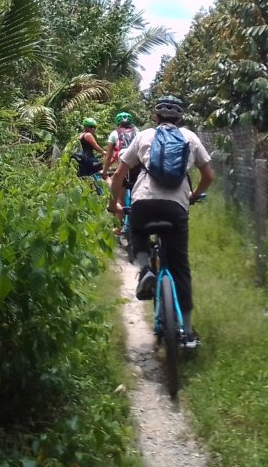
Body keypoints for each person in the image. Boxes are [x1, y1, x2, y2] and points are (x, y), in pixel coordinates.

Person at [110, 95, 214, 347]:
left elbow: (119, 175)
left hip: (144, 201)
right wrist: (193, 195)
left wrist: (114, 204)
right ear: (179, 119)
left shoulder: (144, 136)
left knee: (138, 231)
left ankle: (145, 269)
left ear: (155, 118)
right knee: (180, 267)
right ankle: (187, 332)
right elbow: (209, 175)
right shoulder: (190, 137)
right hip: (176, 207)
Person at [103, 112, 139, 231]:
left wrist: (105, 171)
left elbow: (108, 156)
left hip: (123, 165)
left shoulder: (114, 133)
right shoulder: (137, 131)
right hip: (137, 165)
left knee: (120, 199)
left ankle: (118, 228)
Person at [73, 117, 107, 193]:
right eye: (91, 127)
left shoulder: (79, 136)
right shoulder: (88, 135)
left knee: (85, 180)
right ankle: (103, 193)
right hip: (89, 160)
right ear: (86, 127)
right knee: (104, 173)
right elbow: (96, 147)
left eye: (94, 127)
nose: (93, 129)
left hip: (81, 161)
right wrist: (104, 153)